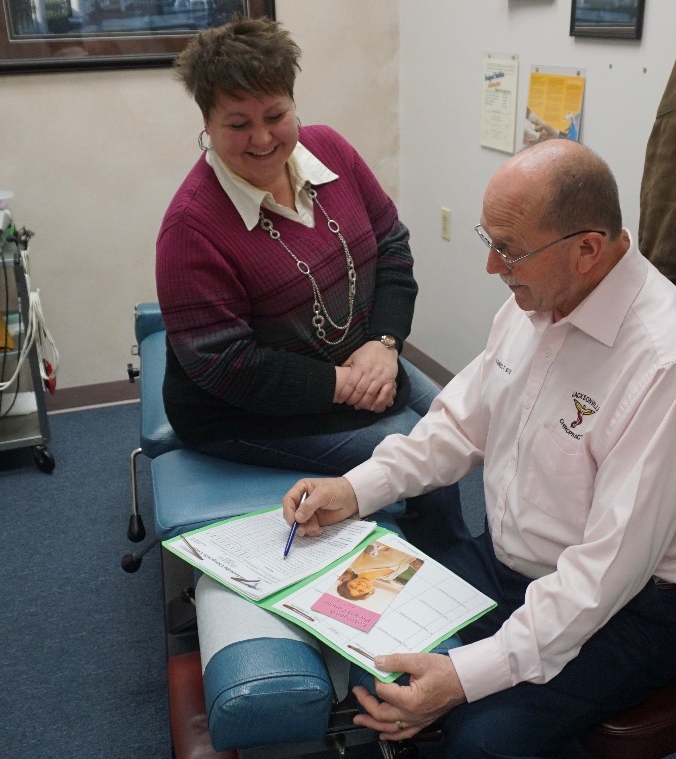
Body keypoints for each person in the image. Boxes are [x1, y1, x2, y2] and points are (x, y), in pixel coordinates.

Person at [283, 138, 676, 758]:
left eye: (510, 250)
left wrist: (467, 678)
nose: (493, 268)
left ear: (586, 250)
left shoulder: (670, 364)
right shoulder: (534, 304)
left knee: (478, 740)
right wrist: (354, 489)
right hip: (509, 564)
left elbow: (606, 572)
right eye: (487, 239)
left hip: (637, 608)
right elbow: (458, 426)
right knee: (378, 668)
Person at [156, 16, 467, 556]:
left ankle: (467, 560)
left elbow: (392, 246)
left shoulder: (332, 150)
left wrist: (384, 344)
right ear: (205, 122)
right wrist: (346, 384)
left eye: (275, 115)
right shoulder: (190, 228)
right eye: (237, 124)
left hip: (358, 355)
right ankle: (451, 578)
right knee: (415, 454)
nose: (261, 138)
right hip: (238, 409)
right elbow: (226, 365)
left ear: (295, 105)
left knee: (457, 420)